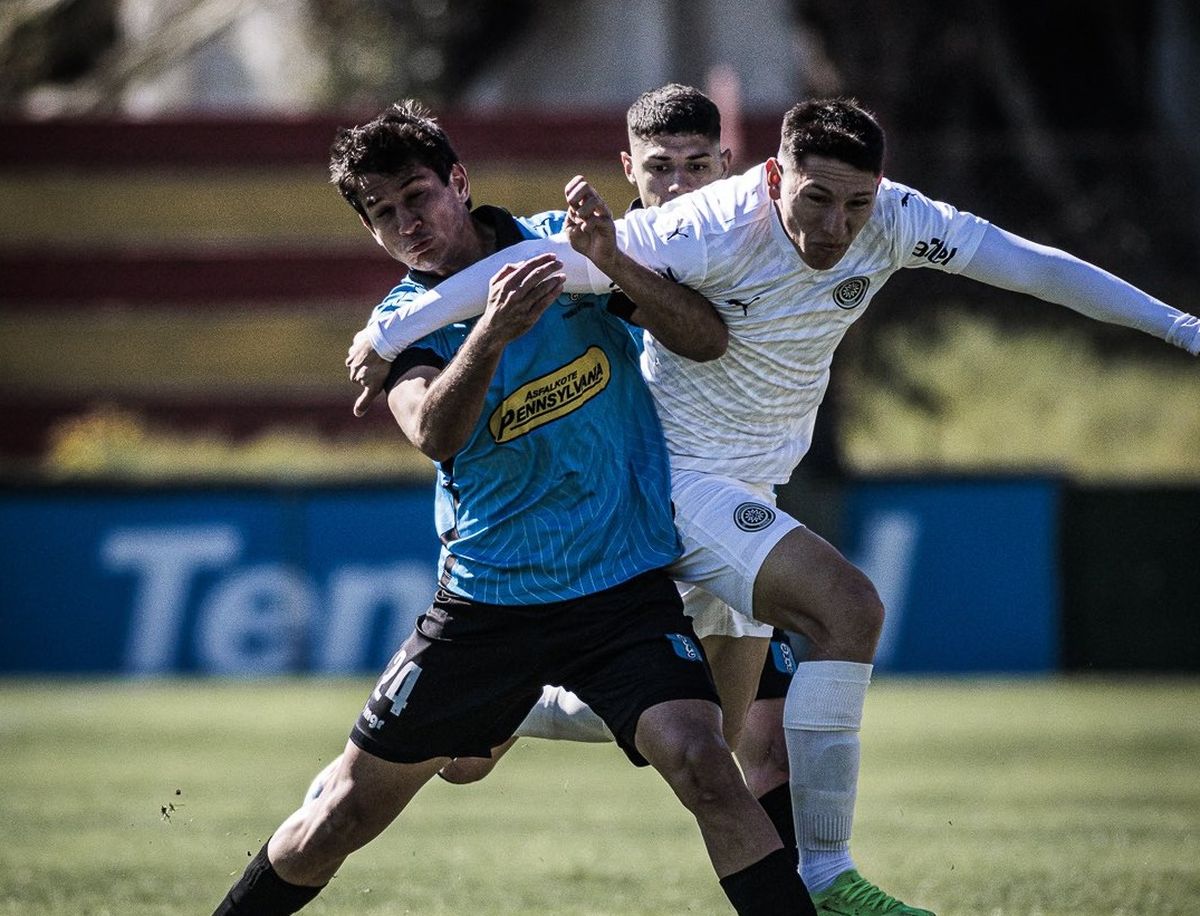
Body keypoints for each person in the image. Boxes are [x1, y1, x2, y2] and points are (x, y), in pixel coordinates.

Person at [345, 96, 1200, 916]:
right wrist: (389, 334)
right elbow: (526, 265)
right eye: (815, 199)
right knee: (848, 610)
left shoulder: (902, 220)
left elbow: (1033, 267)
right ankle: (827, 875)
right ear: (771, 174)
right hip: (672, 482)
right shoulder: (709, 222)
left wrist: (1177, 328)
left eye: (855, 205)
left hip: (751, 482)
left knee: (710, 727)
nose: (834, 227)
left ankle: (520, 703)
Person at [213, 100, 817, 915]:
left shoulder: (557, 251)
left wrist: (615, 263)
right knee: (341, 815)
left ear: (458, 183)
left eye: (417, 195)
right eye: (382, 214)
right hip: (490, 604)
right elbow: (433, 432)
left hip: (621, 590)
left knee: (709, 766)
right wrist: (490, 333)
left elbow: (704, 337)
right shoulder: (401, 325)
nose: (407, 224)